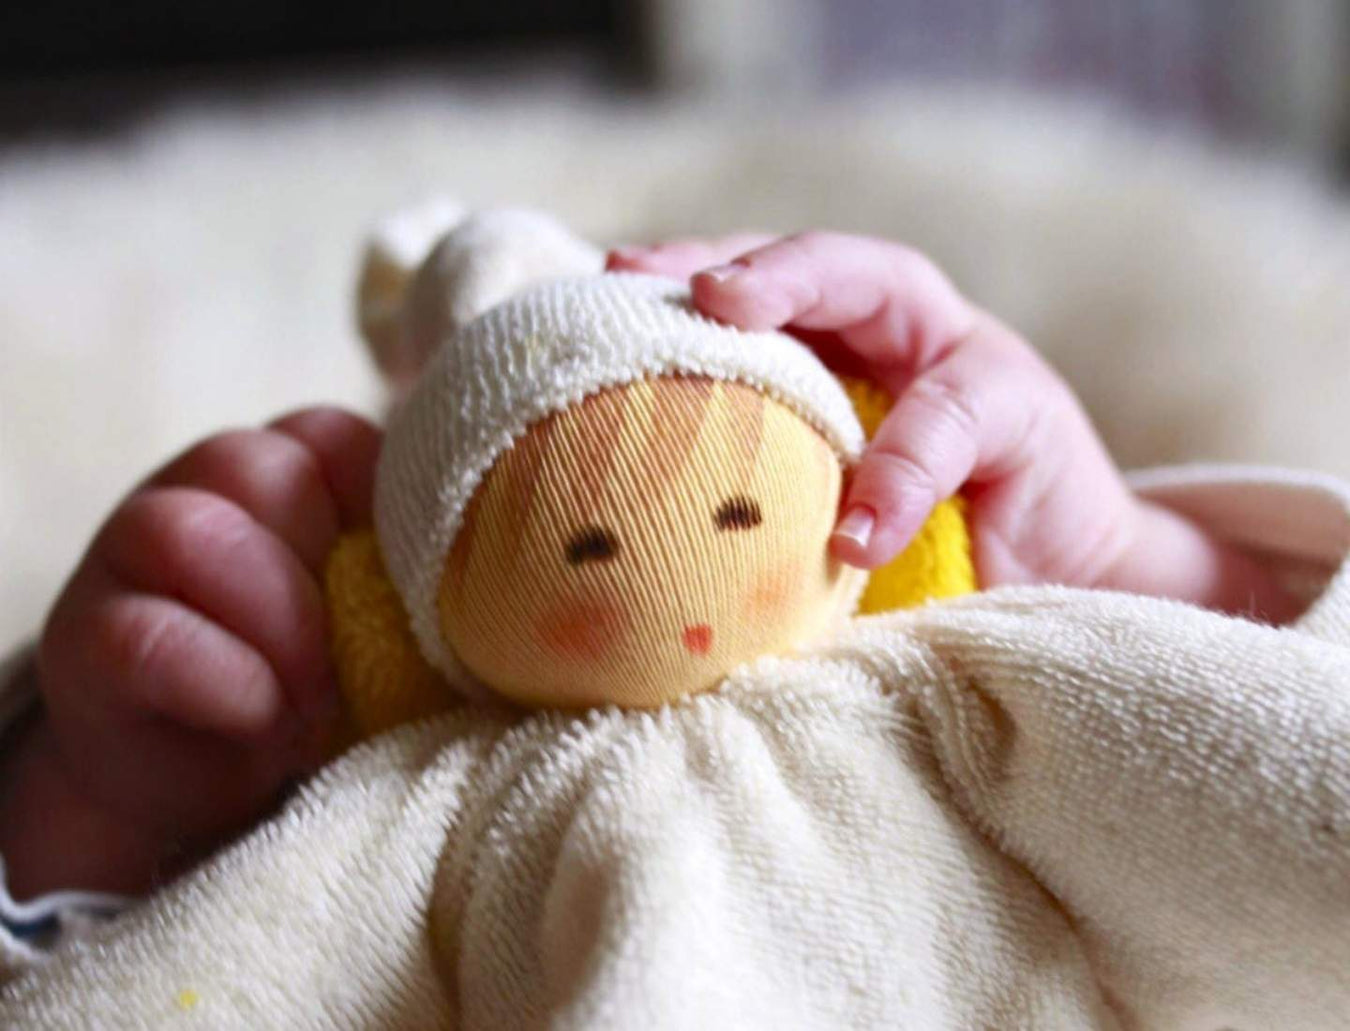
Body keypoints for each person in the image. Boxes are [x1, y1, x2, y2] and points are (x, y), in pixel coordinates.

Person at [0, 230, 1337, 1022]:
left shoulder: (1002, 702)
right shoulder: (400, 812)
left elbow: (1278, 787)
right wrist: (102, 815)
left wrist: (1121, 567)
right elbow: (199, 978)